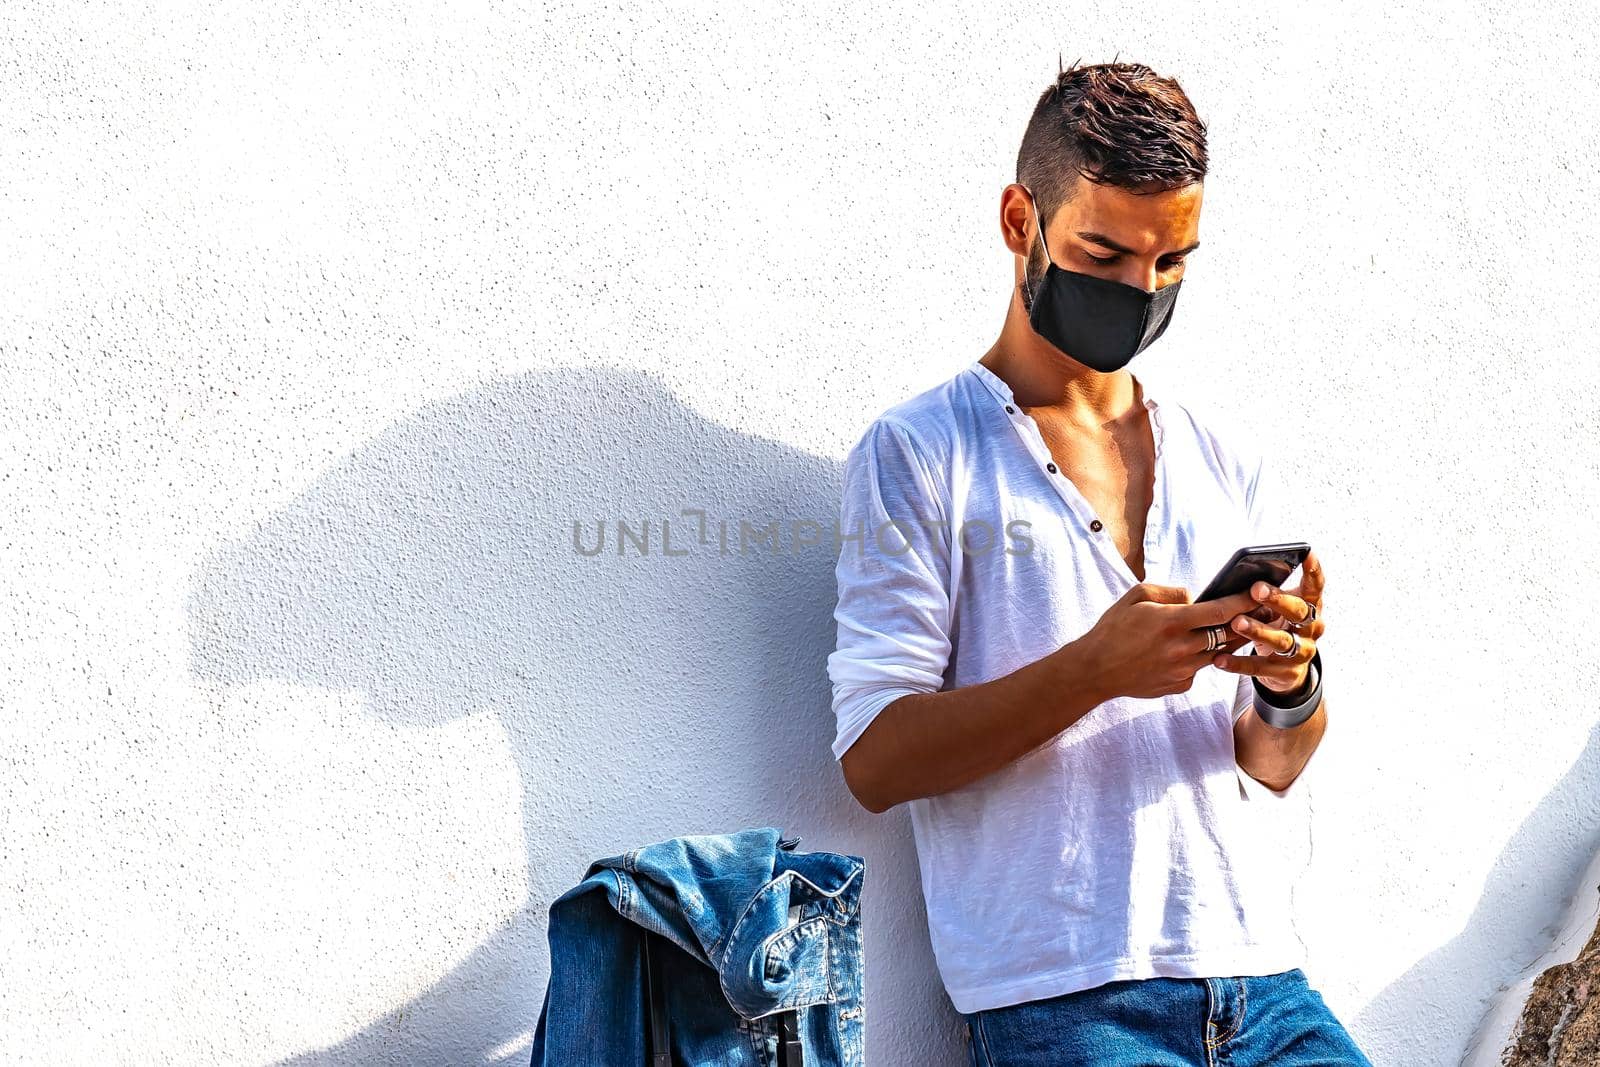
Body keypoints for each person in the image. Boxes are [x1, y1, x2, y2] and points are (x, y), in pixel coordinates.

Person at [825, 60, 1373, 1066]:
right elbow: (873, 757)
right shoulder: (920, 452)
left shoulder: (1220, 457)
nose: (1139, 291)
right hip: (1069, 1004)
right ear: (1018, 220)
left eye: (1169, 264)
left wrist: (1288, 682)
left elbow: (1273, 761)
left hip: (1263, 978)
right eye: (1106, 252)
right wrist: (1096, 669)